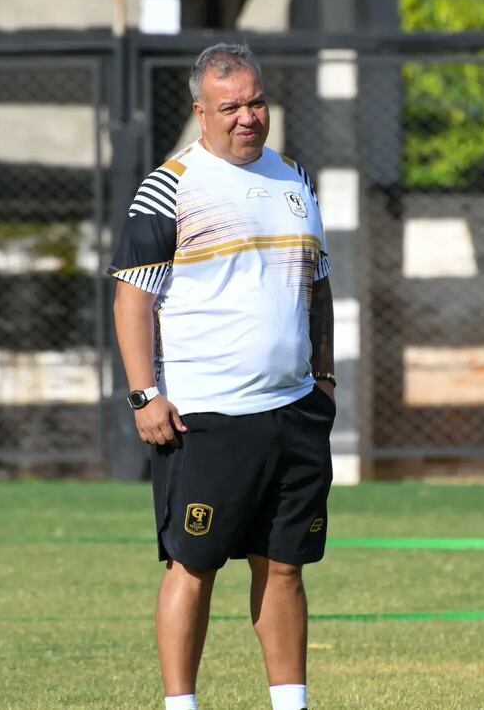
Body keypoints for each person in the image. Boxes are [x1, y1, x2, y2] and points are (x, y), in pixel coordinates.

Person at [109, 43, 335, 710]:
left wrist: (323, 377)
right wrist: (144, 393)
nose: (247, 117)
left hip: (294, 410)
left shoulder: (294, 177)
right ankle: (182, 705)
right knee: (194, 563)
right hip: (206, 415)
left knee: (286, 566)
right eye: (230, 106)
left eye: (256, 102)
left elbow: (318, 285)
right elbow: (132, 298)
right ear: (201, 111)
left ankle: (290, 704)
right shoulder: (171, 183)